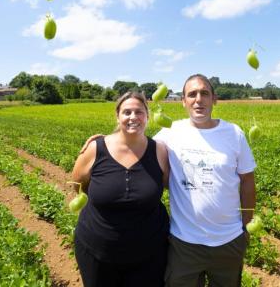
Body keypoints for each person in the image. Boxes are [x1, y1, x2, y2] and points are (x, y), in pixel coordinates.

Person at [154, 74, 256, 287]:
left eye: (204, 93)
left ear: (214, 99)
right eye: (192, 94)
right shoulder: (170, 132)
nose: (198, 99)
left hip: (228, 241)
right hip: (184, 243)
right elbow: (134, 146)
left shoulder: (233, 133)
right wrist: (101, 141)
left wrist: (246, 226)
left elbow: (247, 180)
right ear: (183, 101)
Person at [71, 91, 170, 287]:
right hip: (97, 251)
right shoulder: (95, 149)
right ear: (118, 116)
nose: (133, 117)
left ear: (147, 116)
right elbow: (77, 185)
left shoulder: (159, 150)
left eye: (139, 112)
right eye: (127, 112)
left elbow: (169, 184)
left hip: (149, 254)